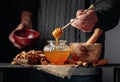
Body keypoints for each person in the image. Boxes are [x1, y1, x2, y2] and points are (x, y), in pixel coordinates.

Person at [9, 0, 120, 82]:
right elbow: (29, 3)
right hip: (43, 65)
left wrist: (97, 17)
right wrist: (26, 21)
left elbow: (111, 6)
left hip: (83, 69)